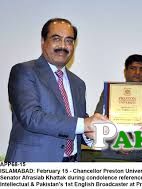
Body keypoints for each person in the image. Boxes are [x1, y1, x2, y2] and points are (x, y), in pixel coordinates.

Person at [5, 18, 106, 162]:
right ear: (43, 41)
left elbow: (77, 122)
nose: (63, 46)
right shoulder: (24, 71)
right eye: (56, 39)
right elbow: (32, 117)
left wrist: (90, 133)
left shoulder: (78, 84)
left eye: (69, 40)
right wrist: (85, 124)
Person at [94, 54, 142, 162]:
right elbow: (98, 122)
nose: (137, 73)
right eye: (133, 68)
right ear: (125, 71)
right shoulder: (111, 92)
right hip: (116, 153)